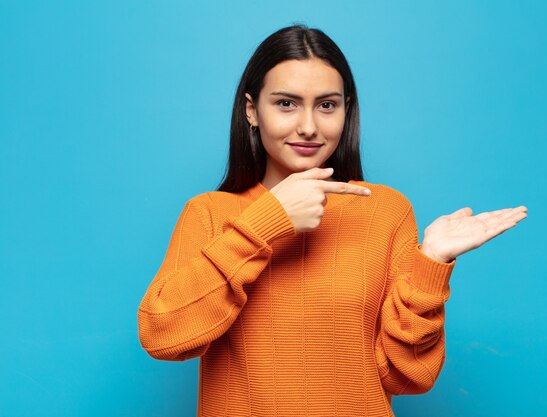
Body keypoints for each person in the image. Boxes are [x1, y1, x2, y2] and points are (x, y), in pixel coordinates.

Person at [137, 24, 527, 417]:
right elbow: (162, 336)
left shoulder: (385, 211)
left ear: (346, 109)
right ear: (252, 110)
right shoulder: (209, 212)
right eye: (286, 103)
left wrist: (432, 265)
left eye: (326, 105)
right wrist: (266, 221)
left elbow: (410, 377)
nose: (309, 126)